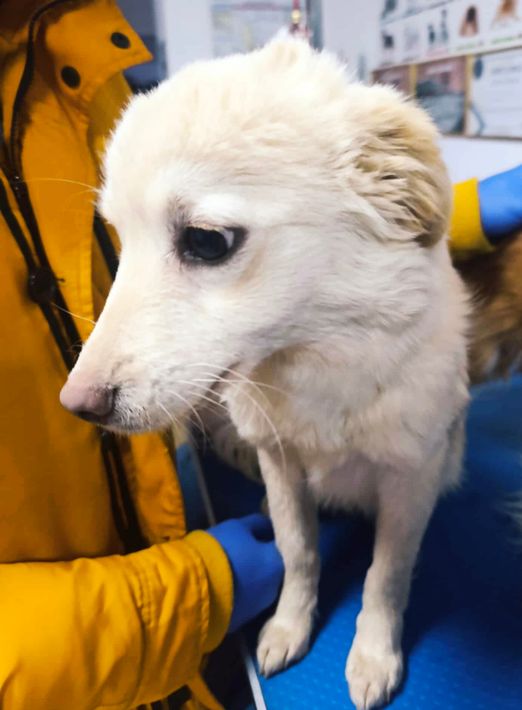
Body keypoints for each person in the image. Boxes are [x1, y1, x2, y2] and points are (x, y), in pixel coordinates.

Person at [0, 1, 521, 708]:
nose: (85, 384)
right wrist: (294, 585)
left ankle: (381, 611)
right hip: (101, 595)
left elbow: (376, 218)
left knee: (418, 465)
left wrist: (382, 613)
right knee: (275, 450)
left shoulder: (73, 61)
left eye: (206, 240)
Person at [0, 2, 282, 708]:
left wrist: (442, 223)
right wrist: (184, 597)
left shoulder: (80, 63)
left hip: (176, 629)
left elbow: (264, 223)